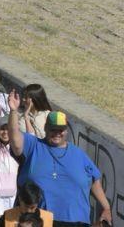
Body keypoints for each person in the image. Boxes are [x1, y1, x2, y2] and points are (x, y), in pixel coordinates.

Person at [8, 92, 112, 227]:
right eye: (53, 129)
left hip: (76, 221)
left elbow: (94, 180)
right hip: (40, 220)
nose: (57, 133)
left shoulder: (79, 154)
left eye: (60, 130)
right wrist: (13, 111)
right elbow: (15, 141)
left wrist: (106, 207)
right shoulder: (33, 145)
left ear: (66, 131)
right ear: (45, 128)